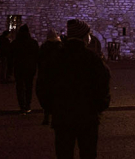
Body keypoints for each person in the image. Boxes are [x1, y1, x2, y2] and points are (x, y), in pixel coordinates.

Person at [44, 19, 110, 159]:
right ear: (84, 36)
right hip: (87, 116)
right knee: (88, 152)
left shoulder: (56, 58)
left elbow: (44, 85)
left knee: (64, 153)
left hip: (62, 116)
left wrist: (52, 108)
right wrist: (99, 107)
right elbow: (102, 85)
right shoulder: (92, 58)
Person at [12, 24, 40, 114]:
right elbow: (37, 56)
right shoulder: (33, 43)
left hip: (19, 67)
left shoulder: (15, 43)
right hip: (30, 68)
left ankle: (22, 106)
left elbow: (11, 56)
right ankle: (28, 105)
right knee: (29, 86)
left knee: (19, 87)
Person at [36, 30, 62, 124]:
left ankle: (46, 116)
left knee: (47, 96)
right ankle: (55, 117)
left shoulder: (44, 47)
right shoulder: (60, 47)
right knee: (56, 96)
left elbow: (39, 60)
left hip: (46, 75)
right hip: (57, 75)